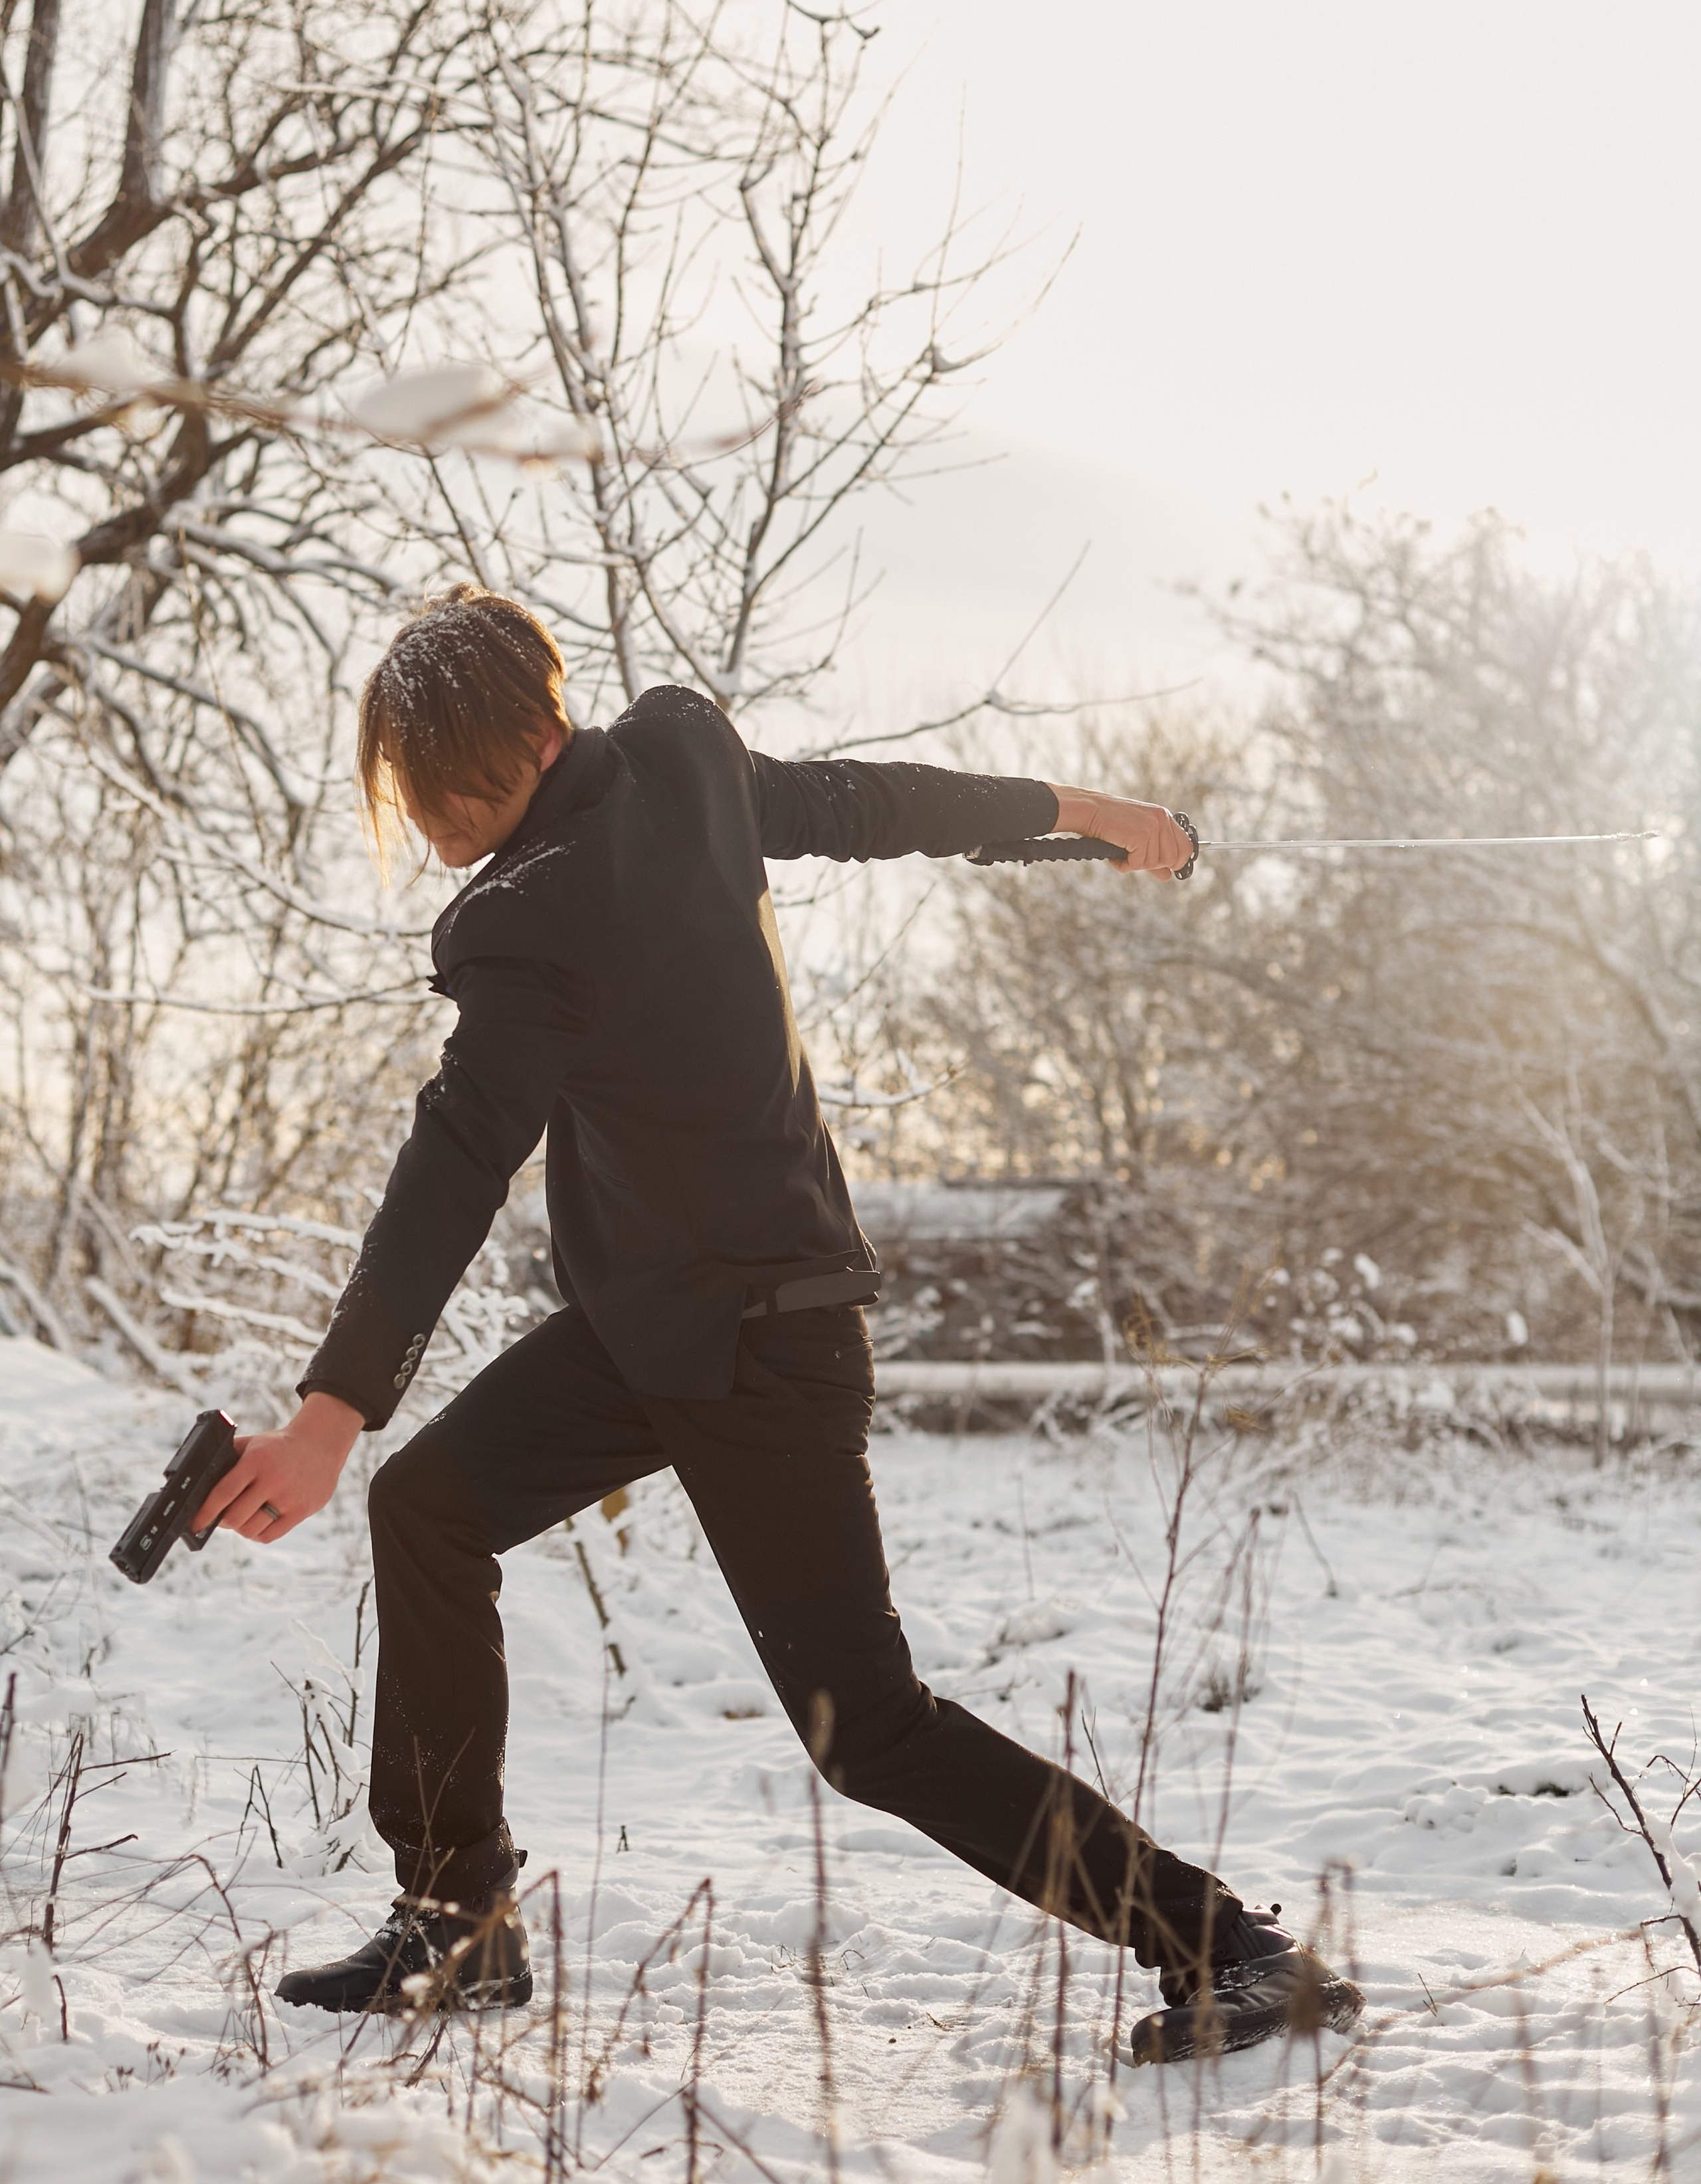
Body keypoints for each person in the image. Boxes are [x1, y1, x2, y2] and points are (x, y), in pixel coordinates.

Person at [196, 586, 1362, 2065]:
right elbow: (871, 807)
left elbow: (458, 1155)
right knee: (427, 1507)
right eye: (414, 792)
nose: (433, 823)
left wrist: (330, 1411)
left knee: (864, 1726)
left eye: (454, 790)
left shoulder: (530, 918)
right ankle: (455, 1921)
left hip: (762, 1343)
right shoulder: (680, 758)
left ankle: (1234, 1950)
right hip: (650, 1325)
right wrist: (1091, 815)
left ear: (536, 734)